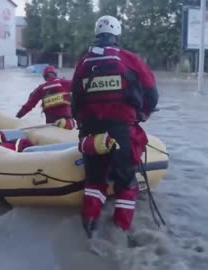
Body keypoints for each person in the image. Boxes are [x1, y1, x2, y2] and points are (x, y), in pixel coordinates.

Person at [71, 15, 159, 238]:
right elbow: (151, 92)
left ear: (96, 33)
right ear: (117, 34)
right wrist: (143, 114)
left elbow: (75, 100)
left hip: (91, 131)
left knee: (94, 180)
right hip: (121, 130)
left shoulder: (83, 62)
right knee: (126, 181)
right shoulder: (129, 58)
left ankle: (89, 226)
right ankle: (120, 232)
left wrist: (84, 125)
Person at [16, 65, 76, 130]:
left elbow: (28, 106)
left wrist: (17, 118)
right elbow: (80, 87)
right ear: (55, 74)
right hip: (67, 123)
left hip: (50, 125)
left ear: (44, 77)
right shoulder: (65, 82)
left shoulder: (41, 88)